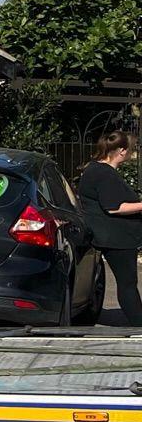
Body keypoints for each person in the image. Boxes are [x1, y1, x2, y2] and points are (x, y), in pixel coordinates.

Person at [75, 128, 142, 324]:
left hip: (114, 236)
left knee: (127, 282)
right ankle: (138, 323)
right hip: (116, 238)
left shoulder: (96, 170)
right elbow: (114, 208)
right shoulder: (104, 174)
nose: (132, 153)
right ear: (122, 150)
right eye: (131, 149)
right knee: (128, 283)